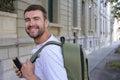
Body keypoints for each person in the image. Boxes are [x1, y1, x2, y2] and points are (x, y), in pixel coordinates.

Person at [14, 4, 68, 80]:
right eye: (27, 20)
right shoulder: (44, 46)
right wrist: (26, 73)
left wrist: (30, 76)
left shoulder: (48, 52)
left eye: (36, 19)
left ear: (46, 23)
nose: (31, 24)